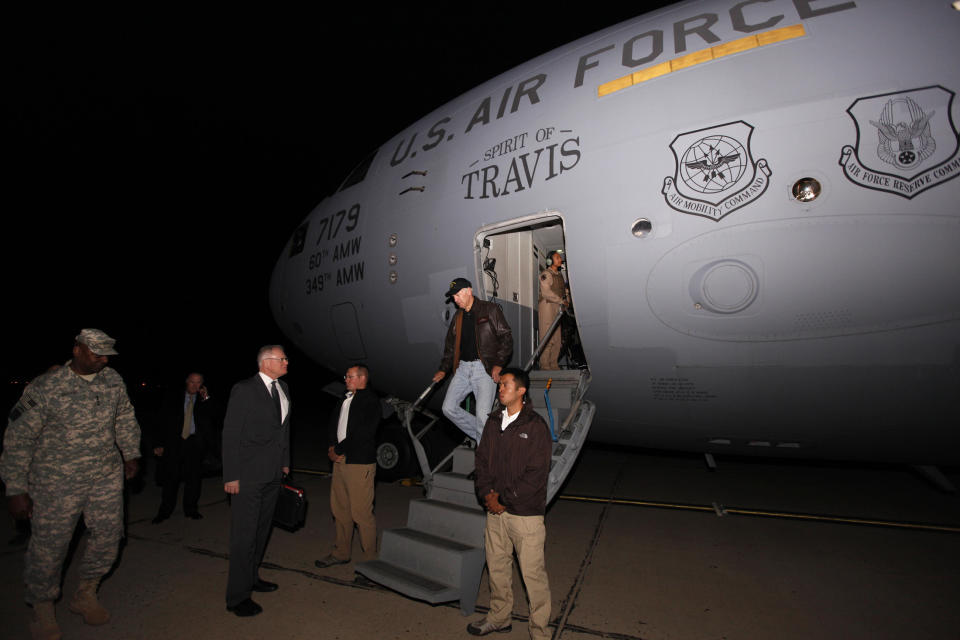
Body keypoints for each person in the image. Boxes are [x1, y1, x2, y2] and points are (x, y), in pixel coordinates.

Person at [0, 329, 141, 640]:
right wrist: (15, 488)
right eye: (96, 353)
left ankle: (85, 593)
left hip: (104, 477)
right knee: (50, 547)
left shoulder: (112, 380)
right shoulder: (48, 386)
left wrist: (130, 452)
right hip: (56, 483)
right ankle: (42, 608)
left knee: (108, 537)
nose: (103, 359)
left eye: (107, 354)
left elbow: (125, 417)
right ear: (77, 350)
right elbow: (19, 438)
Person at [468, 367, 552, 639]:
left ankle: (539, 632)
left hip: (525, 516)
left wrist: (503, 498)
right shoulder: (493, 422)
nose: (500, 389)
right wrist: (487, 495)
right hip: (495, 514)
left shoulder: (535, 426)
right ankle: (499, 618)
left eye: (505, 385)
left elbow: (536, 476)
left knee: (533, 577)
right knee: (497, 570)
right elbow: (481, 462)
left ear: (521, 391)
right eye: (500, 385)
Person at [222, 345, 291, 617]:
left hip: (273, 473)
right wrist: (231, 476)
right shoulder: (244, 389)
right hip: (247, 477)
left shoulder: (284, 389)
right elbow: (231, 433)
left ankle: (252, 577)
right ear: (266, 363)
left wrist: (285, 463)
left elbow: (284, 430)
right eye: (282, 358)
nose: (287, 362)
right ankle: (237, 597)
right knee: (244, 537)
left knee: (262, 532)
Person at [315, 364, 380, 569]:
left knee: (361, 513)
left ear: (362, 379)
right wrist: (332, 447)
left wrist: (340, 449)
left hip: (359, 463)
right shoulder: (345, 399)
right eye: (346, 376)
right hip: (341, 461)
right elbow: (334, 425)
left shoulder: (370, 401)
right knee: (340, 509)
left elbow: (363, 433)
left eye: (350, 376)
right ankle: (341, 552)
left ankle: (370, 561)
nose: (346, 379)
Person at [433, 277, 513, 442]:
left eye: (457, 295)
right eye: (453, 297)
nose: (455, 300)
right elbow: (450, 347)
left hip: (483, 370)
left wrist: (498, 364)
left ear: (468, 291)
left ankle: (485, 451)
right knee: (448, 408)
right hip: (462, 370)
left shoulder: (490, 310)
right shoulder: (458, 317)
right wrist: (443, 369)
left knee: (483, 420)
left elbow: (506, 338)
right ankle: (484, 434)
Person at [152, 372, 219, 523]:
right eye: (192, 382)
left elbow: (213, 417)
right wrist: (158, 443)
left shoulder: (204, 401)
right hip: (175, 443)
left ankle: (191, 510)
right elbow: (161, 421)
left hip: (194, 443)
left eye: (199, 383)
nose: (195, 386)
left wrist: (206, 398)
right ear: (186, 382)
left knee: (193, 479)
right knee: (170, 479)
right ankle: (165, 511)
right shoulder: (173, 398)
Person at [538, 250, 569, 370]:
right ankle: (545, 365)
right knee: (547, 336)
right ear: (549, 261)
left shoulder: (560, 276)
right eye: (557, 257)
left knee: (557, 338)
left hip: (557, 307)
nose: (559, 259)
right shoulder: (546, 274)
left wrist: (567, 301)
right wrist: (561, 301)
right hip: (547, 306)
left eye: (560, 257)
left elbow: (564, 292)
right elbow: (546, 293)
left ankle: (553, 364)